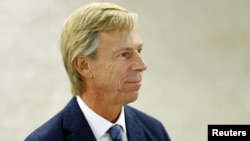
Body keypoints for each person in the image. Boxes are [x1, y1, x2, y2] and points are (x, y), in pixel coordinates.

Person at [25, 2, 171, 141]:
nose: (142, 65)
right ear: (84, 66)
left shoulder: (155, 132)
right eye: (123, 54)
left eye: (139, 50)